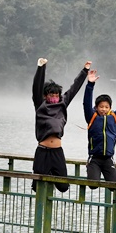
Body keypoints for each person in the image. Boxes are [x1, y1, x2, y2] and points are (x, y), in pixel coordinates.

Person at [32, 57, 90, 193]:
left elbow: (74, 89)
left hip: (57, 151)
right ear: (45, 95)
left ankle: (51, 177)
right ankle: (43, 208)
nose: (54, 97)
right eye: (51, 94)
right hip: (42, 151)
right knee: (37, 187)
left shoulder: (62, 104)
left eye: (56, 94)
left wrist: (85, 71)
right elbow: (36, 87)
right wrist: (41, 67)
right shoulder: (40, 105)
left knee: (63, 186)